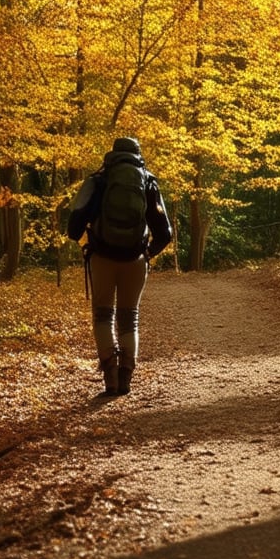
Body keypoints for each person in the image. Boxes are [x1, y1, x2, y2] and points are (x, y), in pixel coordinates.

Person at [81, 137, 172, 397]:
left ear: (112, 155)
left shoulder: (98, 180)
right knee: (129, 318)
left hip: (101, 258)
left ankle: (109, 378)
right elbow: (165, 233)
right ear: (138, 155)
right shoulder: (148, 182)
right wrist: (147, 253)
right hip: (135, 260)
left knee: (103, 316)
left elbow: (74, 223)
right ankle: (125, 378)